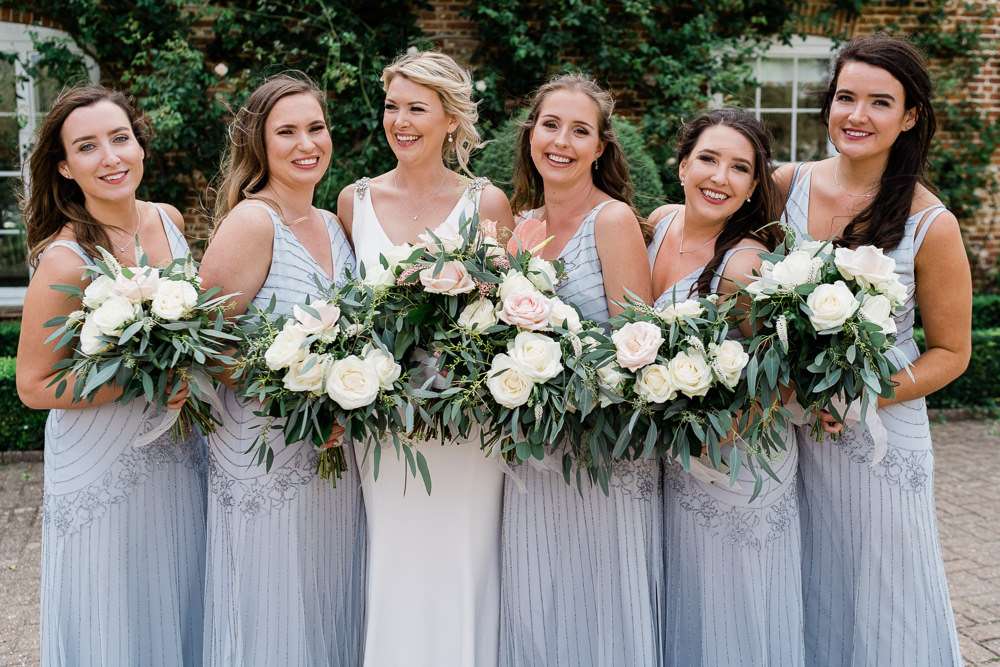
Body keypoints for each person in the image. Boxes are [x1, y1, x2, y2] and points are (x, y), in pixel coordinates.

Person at [776, 34, 967, 666]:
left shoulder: (929, 223)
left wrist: (861, 393)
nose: (857, 115)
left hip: (878, 436)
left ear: (909, 116)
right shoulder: (783, 187)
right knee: (802, 585)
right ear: (828, 105)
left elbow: (951, 352)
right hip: (786, 432)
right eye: (845, 97)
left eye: (879, 102)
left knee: (884, 593)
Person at [336, 50, 514, 667]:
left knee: (466, 559)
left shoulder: (486, 203)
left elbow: (507, 313)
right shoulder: (352, 201)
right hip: (382, 421)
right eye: (392, 107)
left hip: (467, 426)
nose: (401, 121)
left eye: (418, 108)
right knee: (394, 556)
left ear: (450, 120)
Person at [17, 85, 206, 666]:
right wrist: (133, 378)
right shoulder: (64, 259)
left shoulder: (170, 221)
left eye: (120, 139)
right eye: (88, 147)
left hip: (177, 448)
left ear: (140, 145)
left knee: (176, 586)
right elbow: (32, 385)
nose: (111, 158)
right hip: (101, 458)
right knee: (110, 604)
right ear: (66, 168)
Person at [198, 74, 365, 666]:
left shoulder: (335, 224)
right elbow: (205, 344)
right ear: (260, 145)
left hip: (335, 451)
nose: (306, 144)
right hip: (262, 448)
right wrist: (297, 395)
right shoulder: (251, 223)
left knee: (325, 594)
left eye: (315, 128)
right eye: (286, 132)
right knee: (269, 601)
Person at [498, 73, 657, 667]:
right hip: (531, 451)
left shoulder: (611, 221)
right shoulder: (520, 227)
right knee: (537, 595)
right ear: (531, 135)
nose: (561, 141)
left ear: (600, 147)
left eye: (579, 130)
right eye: (550, 125)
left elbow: (636, 345)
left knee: (600, 601)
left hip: (601, 449)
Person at [648, 108, 802, 666]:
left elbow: (784, 375)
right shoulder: (658, 224)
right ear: (683, 164)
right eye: (708, 159)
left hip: (734, 464)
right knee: (687, 609)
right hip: (669, 463)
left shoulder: (745, 265)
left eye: (740, 168)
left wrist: (720, 431)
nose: (720, 177)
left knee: (735, 615)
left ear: (755, 185)